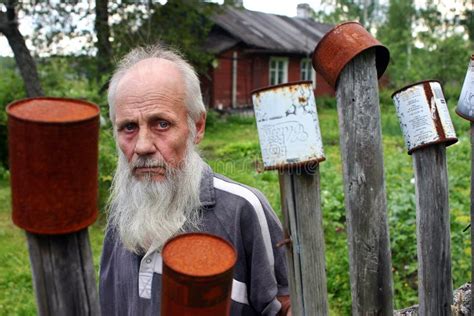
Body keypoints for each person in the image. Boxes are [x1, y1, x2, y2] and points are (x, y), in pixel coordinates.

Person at [99, 44, 291, 315]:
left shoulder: (243, 210)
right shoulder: (121, 211)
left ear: (197, 126)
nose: (142, 146)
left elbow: (286, 307)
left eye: (161, 124)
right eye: (128, 127)